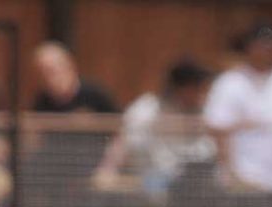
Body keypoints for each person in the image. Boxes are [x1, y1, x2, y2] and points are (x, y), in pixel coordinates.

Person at [203, 22, 272, 193]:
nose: (266, 50)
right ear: (248, 47)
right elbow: (216, 128)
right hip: (240, 184)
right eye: (260, 45)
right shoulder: (229, 82)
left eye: (270, 45)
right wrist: (232, 174)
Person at [92, 59, 215, 198]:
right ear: (184, 88)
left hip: (200, 190)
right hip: (154, 187)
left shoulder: (209, 111)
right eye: (199, 88)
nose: (203, 94)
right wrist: (108, 169)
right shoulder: (147, 109)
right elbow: (123, 142)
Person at [32, 41, 117, 114]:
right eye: (42, 74)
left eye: (51, 71)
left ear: (70, 67)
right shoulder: (41, 101)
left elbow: (119, 126)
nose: (48, 79)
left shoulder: (95, 94)